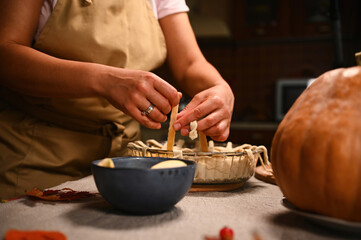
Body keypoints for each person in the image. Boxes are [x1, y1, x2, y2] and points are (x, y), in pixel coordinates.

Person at [0, 0, 234, 199]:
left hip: (123, 160)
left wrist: (220, 88)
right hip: (38, 155)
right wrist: (104, 80)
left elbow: (190, 64)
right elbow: (6, 53)